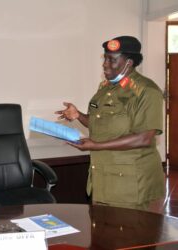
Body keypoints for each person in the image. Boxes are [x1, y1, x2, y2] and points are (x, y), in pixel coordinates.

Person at [55, 36, 165, 211]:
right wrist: (78, 115)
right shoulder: (106, 87)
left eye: (111, 60)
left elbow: (144, 138)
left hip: (131, 186)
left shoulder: (147, 91)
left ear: (128, 62)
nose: (105, 64)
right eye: (105, 58)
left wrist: (96, 146)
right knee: (104, 235)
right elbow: (102, 124)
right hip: (103, 179)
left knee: (132, 236)